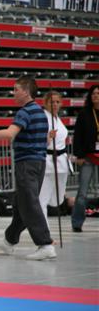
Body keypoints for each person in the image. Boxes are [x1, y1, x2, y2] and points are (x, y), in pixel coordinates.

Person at [0, 76, 55, 261]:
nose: (13, 93)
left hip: (26, 163)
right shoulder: (41, 112)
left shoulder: (25, 112)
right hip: (39, 163)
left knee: (29, 204)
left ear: (26, 92)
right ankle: (9, 241)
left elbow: (9, 133)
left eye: (16, 89)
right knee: (21, 204)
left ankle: (45, 244)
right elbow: (45, 140)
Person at [38, 91, 70, 229]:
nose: (55, 104)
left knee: (57, 199)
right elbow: (38, 142)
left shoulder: (57, 119)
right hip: (48, 162)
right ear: (45, 104)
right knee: (42, 200)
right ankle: (44, 232)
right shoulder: (43, 118)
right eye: (52, 102)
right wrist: (48, 138)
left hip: (61, 162)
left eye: (57, 102)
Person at [71, 84, 99, 232]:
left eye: (98, 93)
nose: (96, 96)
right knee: (82, 193)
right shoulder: (84, 114)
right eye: (93, 93)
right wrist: (79, 155)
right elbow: (78, 136)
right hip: (87, 158)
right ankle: (77, 222)